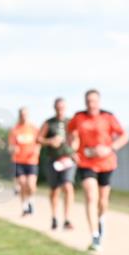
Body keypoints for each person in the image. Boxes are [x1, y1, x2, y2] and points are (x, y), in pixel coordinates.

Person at [68, 90, 129, 252]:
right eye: (88, 101)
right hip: (86, 162)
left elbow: (124, 135)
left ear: (99, 102)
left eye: (94, 101)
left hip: (106, 163)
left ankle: (101, 219)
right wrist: (73, 148)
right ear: (85, 102)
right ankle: (95, 236)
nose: (91, 104)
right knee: (90, 196)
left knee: (103, 201)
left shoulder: (108, 117)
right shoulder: (78, 117)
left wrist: (110, 148)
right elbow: (70, 133)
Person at [38, 98, 77, 231]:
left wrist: (75, 149)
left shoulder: (70, 122)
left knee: (68, 186)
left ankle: (67, 219)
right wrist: (50, 141)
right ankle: (54, 217)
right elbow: (39, 139)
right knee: (54, 190)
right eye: (58, 108)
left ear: (65, 108)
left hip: (67, 160)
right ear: (54, 108)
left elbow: (77, 138)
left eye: (62, 108)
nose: (60, 110)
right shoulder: (49, 123)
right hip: (53, 160)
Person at [9, 107, 40, 217]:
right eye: (22, 114)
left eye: (25, 114)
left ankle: (31, 201)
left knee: (31, 185)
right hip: (18, 161)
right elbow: (11, 146)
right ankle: (24, 206)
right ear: (19, 115)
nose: (24, 116)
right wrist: (13, 149)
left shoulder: (34, 128)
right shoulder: (15, 130)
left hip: (31, 161)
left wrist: (37, 150)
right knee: (22, 183)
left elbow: (39, 142)